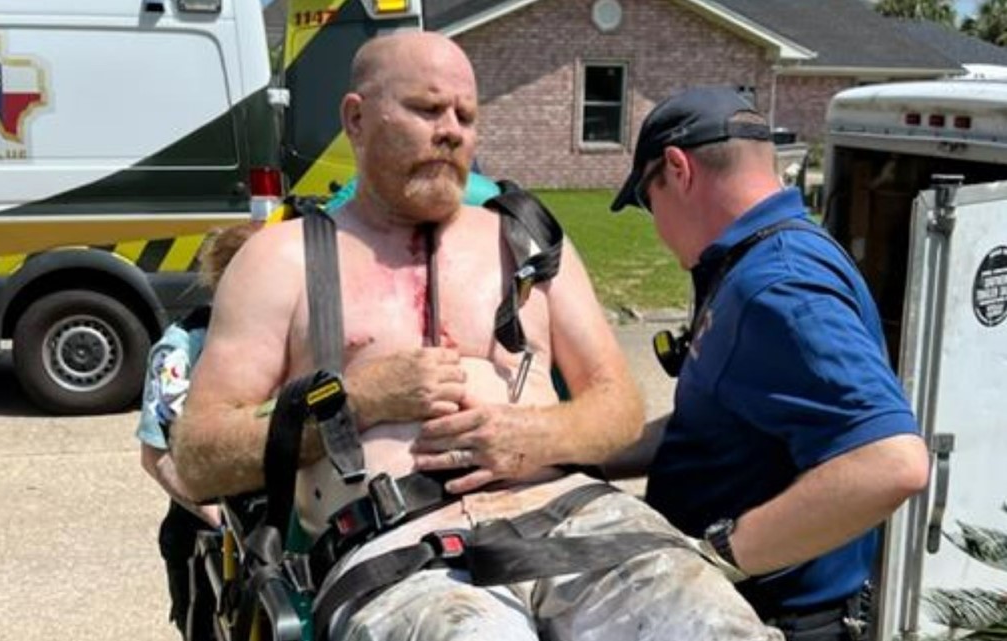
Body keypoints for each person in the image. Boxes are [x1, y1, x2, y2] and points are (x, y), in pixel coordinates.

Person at [172, 33, 781, 640]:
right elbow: (199, 458)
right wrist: (358, 402)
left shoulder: (528, 242)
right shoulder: (282, 261)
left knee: (717, 626)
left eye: (466, 115)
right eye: (427, 109)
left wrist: (537, 434)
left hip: (579, 524)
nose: (451, 130)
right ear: (356, 118)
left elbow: (618, 405)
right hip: (402, 555)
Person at [609, 86, 930, 640]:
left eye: (648, 200)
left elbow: (892, 462)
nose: (657, 227)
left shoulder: (776, 285)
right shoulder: (759, 259)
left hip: (771, 620)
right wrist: (583, 455)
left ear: (678, 169)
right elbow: (714, 426)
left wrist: (719, 554)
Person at [135, 221, 260, 641]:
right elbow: (156, 456)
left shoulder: (295, 336)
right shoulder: (181, 350)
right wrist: (218, 517)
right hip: (206, 533)